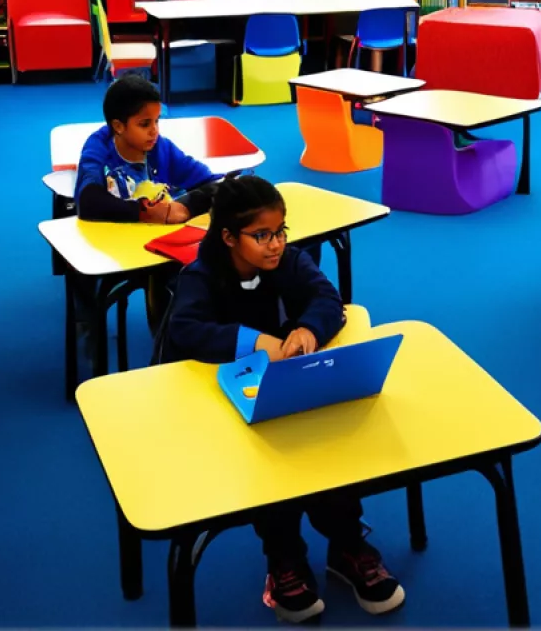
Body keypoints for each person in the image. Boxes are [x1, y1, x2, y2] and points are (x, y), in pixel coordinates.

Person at [153, 175, 402, 623]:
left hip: (289, 390)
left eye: (281, 231)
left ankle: (347, 546)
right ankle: (284, 558)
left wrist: (308, 328)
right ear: (228, 237)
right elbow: (185, 331)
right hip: (224, 404)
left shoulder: (289, 260)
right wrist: (252, 342)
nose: (276, 244)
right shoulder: (201, 276)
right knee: (270, 465)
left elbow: (328, 299)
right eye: (262, 235)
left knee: (327, 446)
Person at [74, 75, 217, 224]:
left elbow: (215, 184)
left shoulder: (161, 147)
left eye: (157, 121)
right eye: (145, 124)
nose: (154, 131)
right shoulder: (99, 147)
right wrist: (144, 212)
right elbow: (88, 201)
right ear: (118, 126)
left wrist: (185, 207)